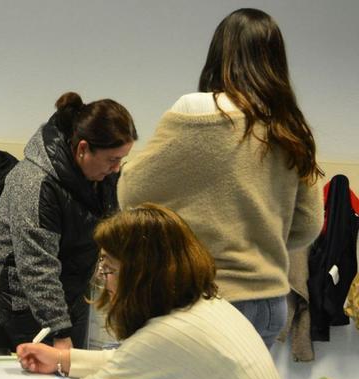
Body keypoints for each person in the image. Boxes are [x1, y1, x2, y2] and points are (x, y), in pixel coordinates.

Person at [18, 204, 298, 379]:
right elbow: (135, 362)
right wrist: (64, 359)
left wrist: (72, 374)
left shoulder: (168, 338)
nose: (105, 282)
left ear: (141, 276)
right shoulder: (210, 311)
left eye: (109, 269)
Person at [118, 7, 324, 348]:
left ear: (220, 54)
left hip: (205, 300)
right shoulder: (290, 128)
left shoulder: (193, 111)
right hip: (271, 303)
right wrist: (257, 234)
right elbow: (308, 225)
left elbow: (130, 193)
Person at [0, 92, 136, 379]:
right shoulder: (36, 181)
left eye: (121, 160)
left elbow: (108, 224)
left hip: (69, 282)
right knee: (31, 374)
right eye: (112, 160)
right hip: (17, 285)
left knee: (68, 371)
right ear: (83, 149)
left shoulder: (102, 172)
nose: (117, 168)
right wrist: (58, 329)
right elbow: (35, 265)